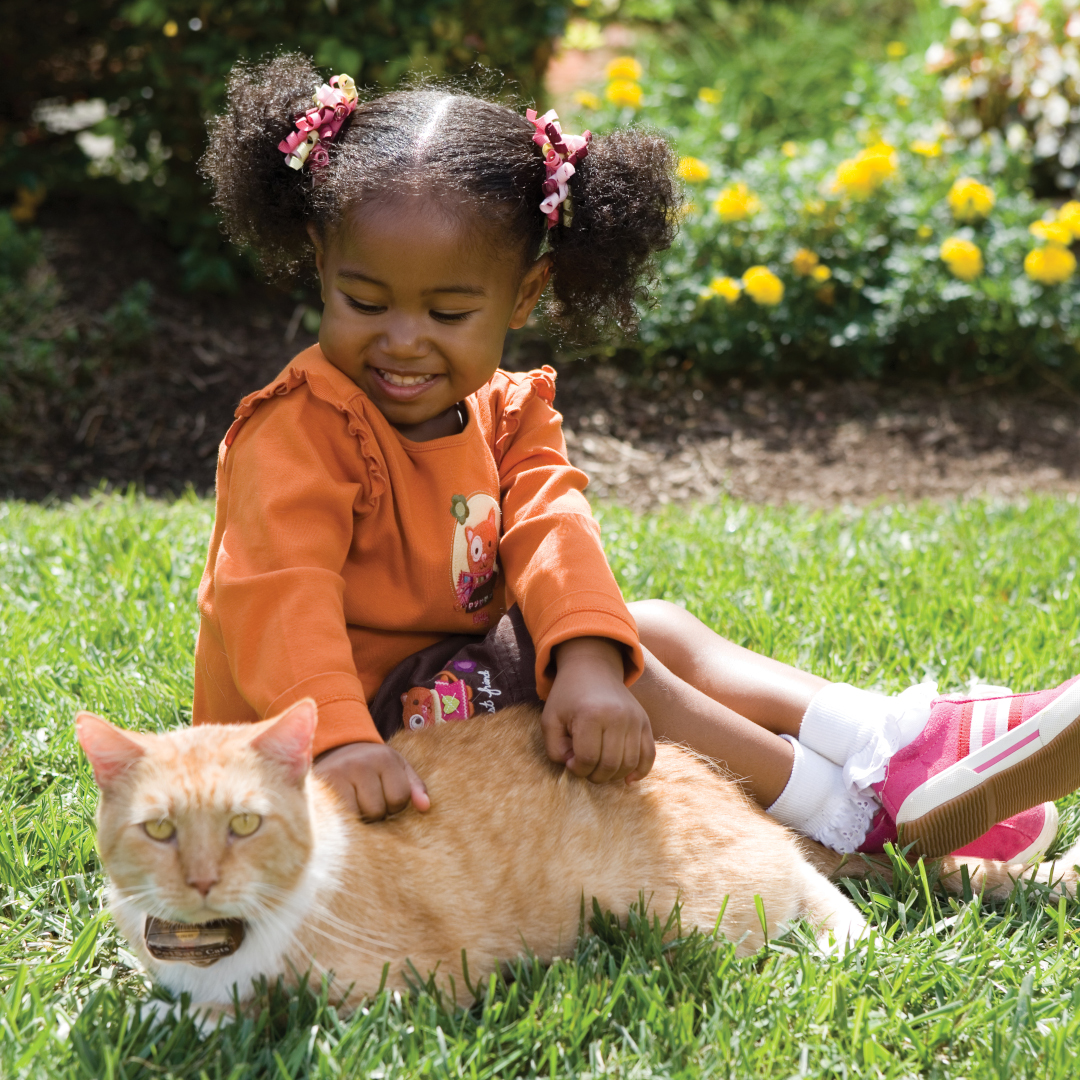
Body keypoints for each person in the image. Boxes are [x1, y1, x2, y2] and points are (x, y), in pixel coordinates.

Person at [194, 54, 1080, 863]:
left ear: (524, 294)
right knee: (621, 656)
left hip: (438, 701)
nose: (403, 340)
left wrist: (582, 653)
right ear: (319, 264)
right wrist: (340, 742)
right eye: (364, 299)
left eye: (449, 312)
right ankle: (854, 813)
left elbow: (553, 525)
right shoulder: (299, 433)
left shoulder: (506, 408)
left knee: (638, 628)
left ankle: (884, 742)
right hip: (346, 745)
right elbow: (280, 599)